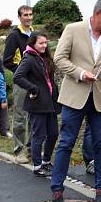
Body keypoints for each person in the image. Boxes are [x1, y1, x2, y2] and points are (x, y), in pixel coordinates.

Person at [49, 0, 101, 202]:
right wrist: (81, 74)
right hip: (74, 97)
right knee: (66, 143)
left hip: (100, 98)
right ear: (97, 14)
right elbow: (59, 59)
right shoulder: (73, 30)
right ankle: (57, 189)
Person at [13, 32, 60, 177]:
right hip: (38, 103)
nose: (44, 46)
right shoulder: (28, 59)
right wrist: (33, 88)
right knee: (39, 136)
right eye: (41, 43)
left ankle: (46, 161)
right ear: (33, 43)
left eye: (46, 43)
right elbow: (17, 77)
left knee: (53, 134)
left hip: (50, 103)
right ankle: (37, 166)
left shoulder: (45, 57)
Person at [3, 5, 34, 163]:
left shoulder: (34, 34)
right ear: (19, 17)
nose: (28, 17)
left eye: (30, 14)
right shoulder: (14, 35)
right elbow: (7, 60)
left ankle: (32, 149)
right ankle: (19, 150)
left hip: (35, 81)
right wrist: (20, 72)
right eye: (25, 15)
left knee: (34, 116)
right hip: (22, 82)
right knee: (20, 116)